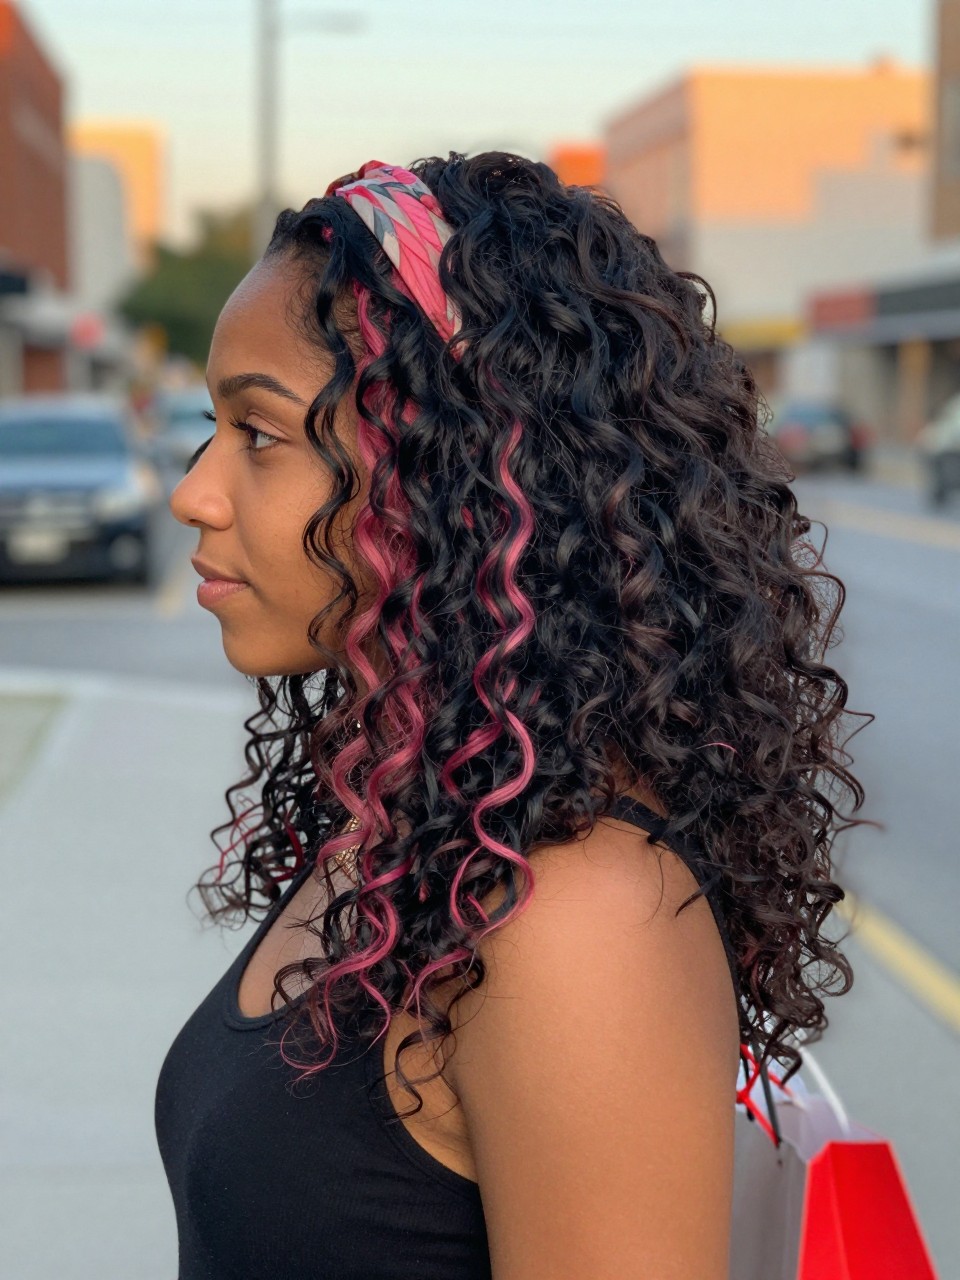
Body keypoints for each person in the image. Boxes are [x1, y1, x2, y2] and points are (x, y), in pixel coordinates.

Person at [156, 152, 864, 1279]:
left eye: (261, 432)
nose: (194, 489)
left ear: (457, 472)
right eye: (213, 427)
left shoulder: (572, 911)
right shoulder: (423, 814)